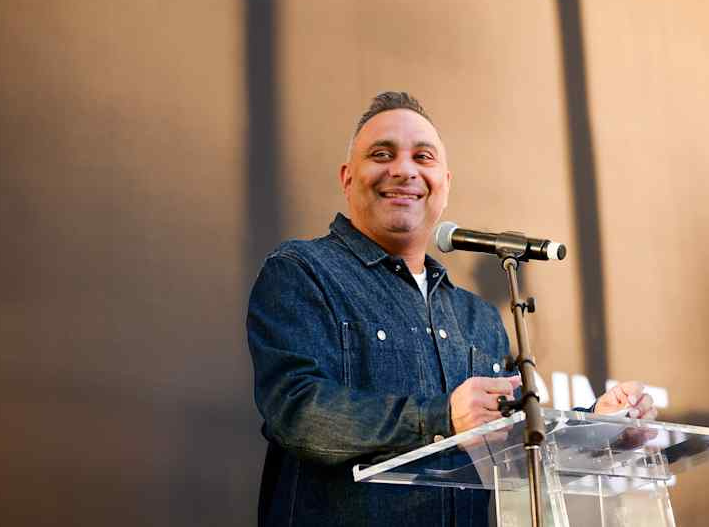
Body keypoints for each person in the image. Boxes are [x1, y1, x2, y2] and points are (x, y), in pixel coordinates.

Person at [246, 92, 657, 526]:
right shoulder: (303, 270)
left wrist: (599, 427)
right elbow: (296, 411)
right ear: (348, 178)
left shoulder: (478, 318)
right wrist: (441, 417)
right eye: (382, 154)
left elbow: (517, 443)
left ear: (444, 182)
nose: (404, 170)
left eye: (422, 157)